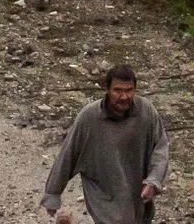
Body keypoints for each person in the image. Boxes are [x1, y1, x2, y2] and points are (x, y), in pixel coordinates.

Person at [41, 64, 170, 224]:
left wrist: (154, 180)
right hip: (104, 195)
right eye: (118, 90)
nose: (124, 96)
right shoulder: (90, 117)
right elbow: (68, 155)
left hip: (136, 193)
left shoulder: (146, 112)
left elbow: (161, 148)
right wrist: (53, 194)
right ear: (107, 90)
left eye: (129, 90)